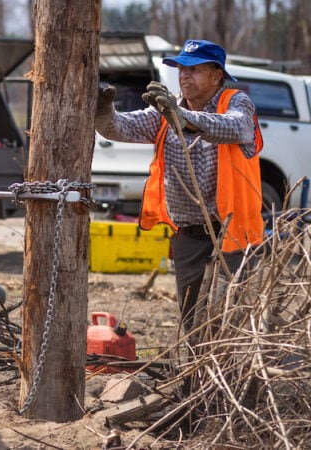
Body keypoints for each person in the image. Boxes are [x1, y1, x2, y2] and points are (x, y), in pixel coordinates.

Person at [95, 39, 263, 334]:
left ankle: (233, 378)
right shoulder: (167, 109)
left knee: (230, 320)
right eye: (181, 69)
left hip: (233, 232)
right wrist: (102, 112)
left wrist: (182, 118)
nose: (184, 75)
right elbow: (120, 127)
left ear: (216, 75)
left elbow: (237, 127)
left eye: (194, 69)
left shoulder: (236, 102)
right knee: (193, 319)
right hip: (189, 233)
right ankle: (196, 377)